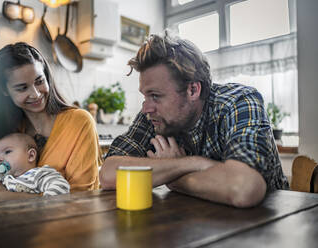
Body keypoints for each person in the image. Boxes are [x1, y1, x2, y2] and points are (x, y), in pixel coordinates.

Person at [100, 32, 289, 208]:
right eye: (145, 96)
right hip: (193, 225)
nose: (145, 108)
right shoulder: (154, 116)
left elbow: (243, 188)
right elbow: (108, 174)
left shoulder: (238, 101)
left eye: (155, 95)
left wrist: (171, 177)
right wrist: (191, 163)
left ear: (193, 90)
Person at [0, 42, 101, 206]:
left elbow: (81, 199)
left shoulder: (79, 122)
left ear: (46, 76)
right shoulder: (5, 132)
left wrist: (6, 199)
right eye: (22, 88)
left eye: (39, 81)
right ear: (4, 91)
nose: (36, 94)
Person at [0, 133, 70, 204]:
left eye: (7, 152)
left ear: (31, 155)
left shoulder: (39, 174)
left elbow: (61, 187)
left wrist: (45, 205)